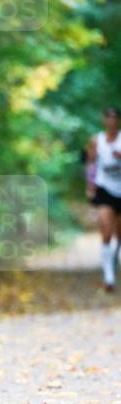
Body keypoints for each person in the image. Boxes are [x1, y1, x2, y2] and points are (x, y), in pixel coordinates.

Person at [87, 106, 121, 291]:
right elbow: (91, 163)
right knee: (106, 231)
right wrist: (90, 186)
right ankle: (108, 277)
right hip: (104, 189)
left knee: (119, 234)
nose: (111, 121)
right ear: (104, 120)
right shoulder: (96, 140)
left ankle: (114, 260)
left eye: (114, 117)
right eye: (108, 117)